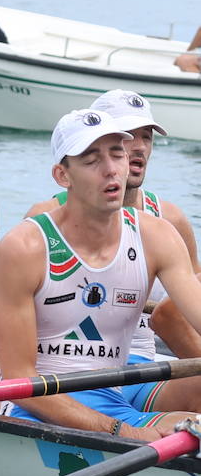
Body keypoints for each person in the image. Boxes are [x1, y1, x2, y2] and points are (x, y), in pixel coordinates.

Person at [0, 108, 201, 439]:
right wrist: (123, 432)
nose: (111, 170)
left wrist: (121, 426)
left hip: (113, 399)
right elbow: (20, 383)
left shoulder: (157, 235)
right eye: (91, 161)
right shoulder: (24, 247)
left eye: (117, 154)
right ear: (63, 176)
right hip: (36, 406)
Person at [23, 90, 201, 365]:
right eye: (128, 137)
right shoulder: (42, 221)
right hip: (63, 367)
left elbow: (187, 312)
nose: (139, 147)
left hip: (143, 357)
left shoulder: (169, 221)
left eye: (147, 137)